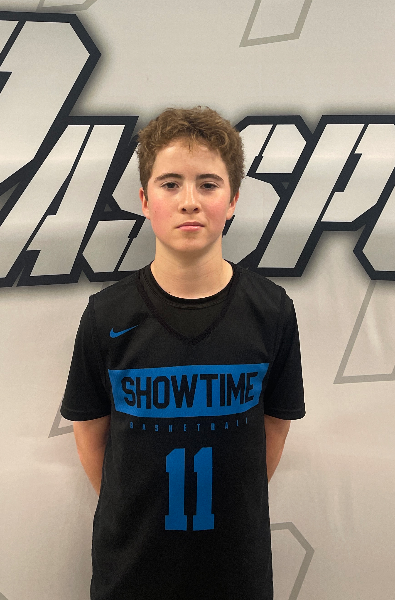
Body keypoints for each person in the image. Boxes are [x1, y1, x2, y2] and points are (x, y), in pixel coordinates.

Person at [61, 106, 305, 600]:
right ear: (144, 200)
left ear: (232, 200)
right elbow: (90, 434)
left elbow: (274, 428)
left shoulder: (272, 310)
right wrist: (133, 509)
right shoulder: (106, 315)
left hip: (235, 571)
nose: (189, 201)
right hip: (132, 573)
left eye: (208, 184)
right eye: (170, 184)